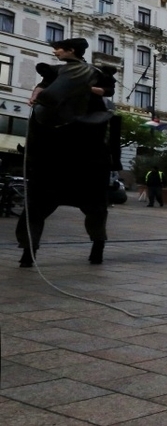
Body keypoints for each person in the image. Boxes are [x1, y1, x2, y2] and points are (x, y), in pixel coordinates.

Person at [16, 38, 120, 267]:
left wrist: (86, 89)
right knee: (34, 207)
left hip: (85, 146)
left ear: (71, 51)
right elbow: (43, 86)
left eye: (59, 49)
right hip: (53, 148)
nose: (55, 52)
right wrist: (35, 95)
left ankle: (97, 245)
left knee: (95, 207)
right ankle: (28, 251)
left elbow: (107, 90)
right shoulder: (55, 71)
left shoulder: (94, 72)